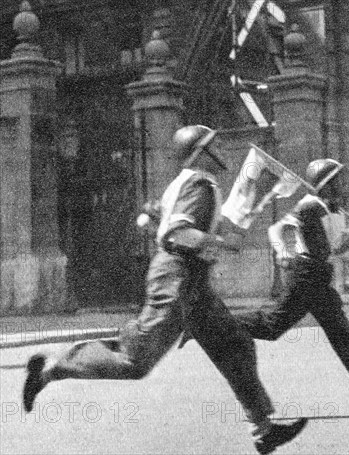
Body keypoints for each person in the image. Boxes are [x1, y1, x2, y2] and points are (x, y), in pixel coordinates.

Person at [23, 125, 307, 455]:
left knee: (235, 343)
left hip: (191, 282)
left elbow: (160, 219)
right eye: (212, 147)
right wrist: (216, 241)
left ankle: (264, 429)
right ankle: (50, 370)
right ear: (200, 152)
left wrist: (180, 224)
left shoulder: (188, 184)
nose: (220, 153)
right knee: (134, 360)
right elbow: (177, 233)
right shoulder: (198, 184)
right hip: (176, 280)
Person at [236, 159, 349, 411]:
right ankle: (213, 322)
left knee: (341, 332)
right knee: (273, 326)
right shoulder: (310, 207)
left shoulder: (327, 208)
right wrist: (283, 251)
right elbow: (280, 231)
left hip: (317, 276)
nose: (343, 186)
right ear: (326, 185)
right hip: (305, 276)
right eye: (337, 181)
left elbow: (332, 248)